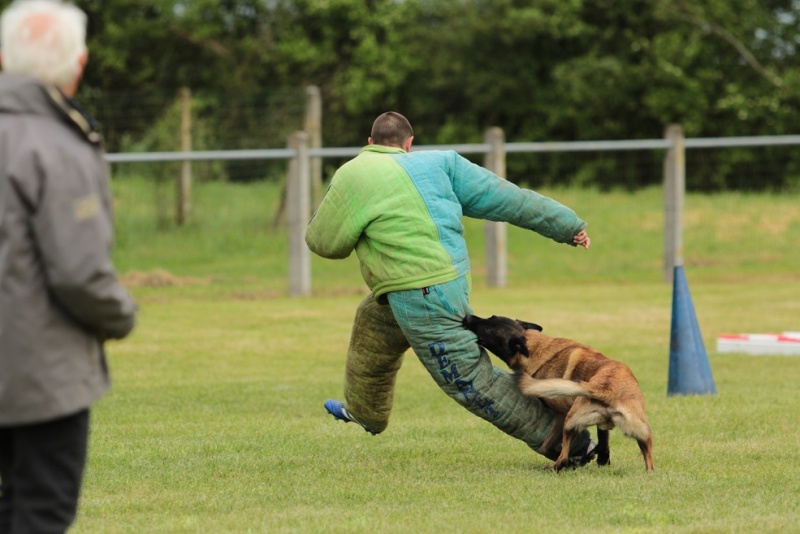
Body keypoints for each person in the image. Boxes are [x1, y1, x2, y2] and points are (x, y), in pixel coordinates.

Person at [306, 111, 596, 466]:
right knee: (374, 322)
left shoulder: (352, 174)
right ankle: (367, 413)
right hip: (444, 283)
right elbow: (509, 198)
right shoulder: (441, 163)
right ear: (408, 145)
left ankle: (572, 442)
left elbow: (325, 243)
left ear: (370, 144)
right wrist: (567, 225)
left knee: (471, 380)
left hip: (419, 294)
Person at [0, 1, 137, 532]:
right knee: (39, 513)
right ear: (78, 65)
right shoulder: (60, 146)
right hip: (40, 376)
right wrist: (121, 315)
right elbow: (78, 272)